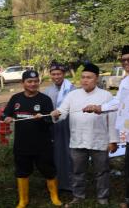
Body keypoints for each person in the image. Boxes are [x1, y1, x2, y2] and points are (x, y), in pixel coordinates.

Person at [83, 45, 129, 208]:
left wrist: (101, 108)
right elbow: (119, 100)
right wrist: (100, 107)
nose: (126, 62)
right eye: (123, 60)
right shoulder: (126, 80)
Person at [50, 63, 119, 206]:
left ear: (97, 79)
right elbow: (62, 112)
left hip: (99, 139)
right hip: (77, 139)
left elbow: (112, 120)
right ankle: (78, 196)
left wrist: (113, 140)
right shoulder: (72, 95)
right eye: (83, 77)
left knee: (102, 171)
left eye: (89, 77)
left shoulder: (106, 96)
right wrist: (56, 114)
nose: (85, 80)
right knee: (77, 171)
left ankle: (102, 196)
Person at [2, 70, 62, 208]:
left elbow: (50, 120)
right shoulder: (16, 98)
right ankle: (23, 200)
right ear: (22, 83)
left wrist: (44, 117)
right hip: (22, 145)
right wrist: (6, 117)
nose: (33, 84)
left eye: (35, 81)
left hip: (42, 145)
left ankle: (54, 196)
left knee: (49, 171)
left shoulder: (45, 99)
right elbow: (6, 113)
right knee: (22, 172)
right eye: (29, 81)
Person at [43, 63, 76, 192]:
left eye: (59, 74)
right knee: (55, 153)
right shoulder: (47, 91)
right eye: (53, 74)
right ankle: (57, 183)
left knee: (69, 154)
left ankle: (70, 183)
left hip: (69, 125)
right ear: (50, 75)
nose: (56, 76)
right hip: (54, 127)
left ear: (64, 74)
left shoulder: (72, 89)